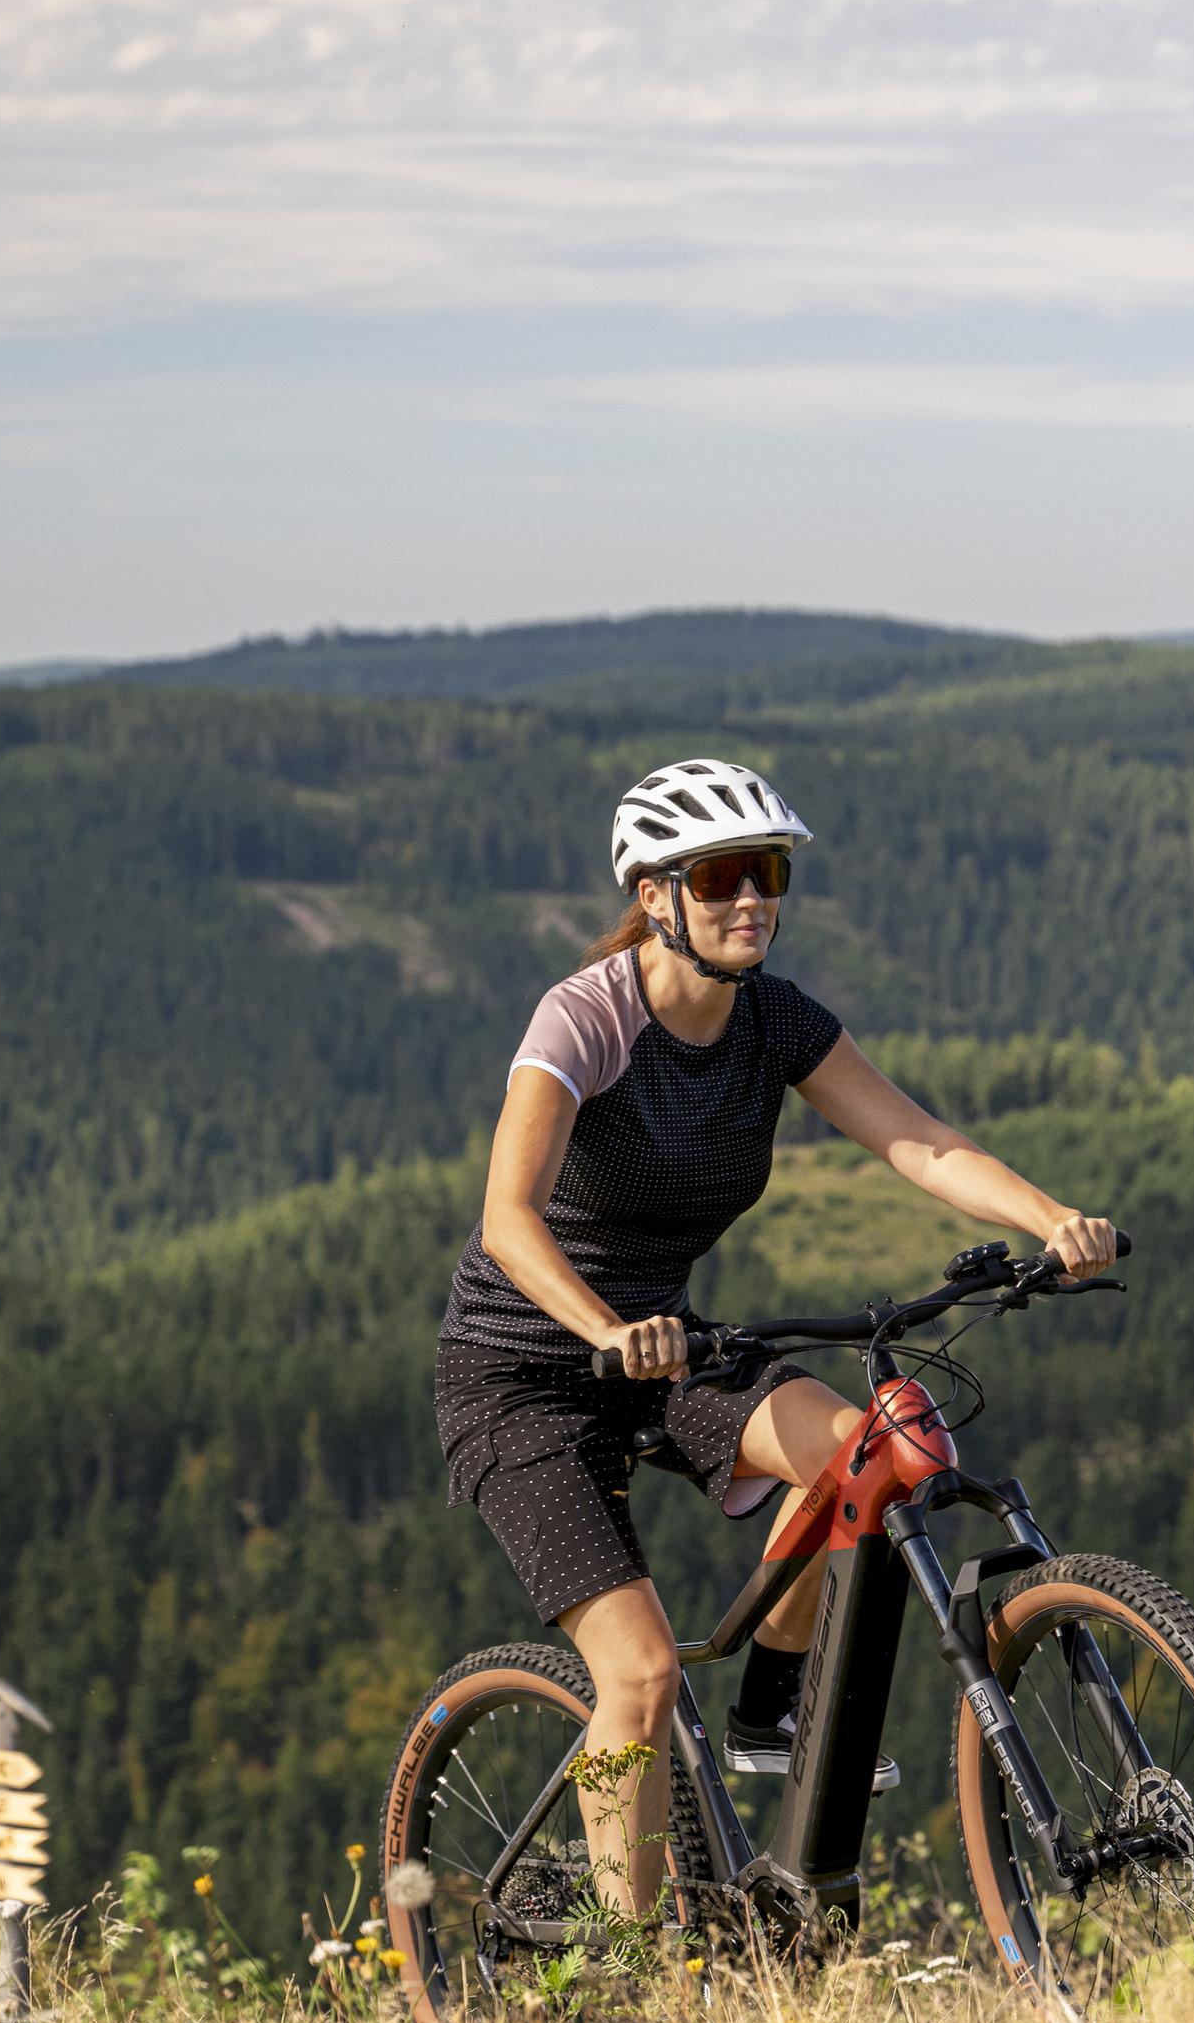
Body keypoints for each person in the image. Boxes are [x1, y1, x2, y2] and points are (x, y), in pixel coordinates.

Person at [434, 759, 1120, 1913]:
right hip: (525, 1374)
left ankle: (770, 1702)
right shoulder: (587, 1015)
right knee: (641, 1677)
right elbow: (506, 1218)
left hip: (662, 1345)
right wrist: (605, 1327)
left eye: (769, 873)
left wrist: (1049, 1215)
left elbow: (914, 1137)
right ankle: (629, 1955)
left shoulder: (773, 1020)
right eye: (721, 876)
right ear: (656, 896)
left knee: (865, 1452)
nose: (751, 898)